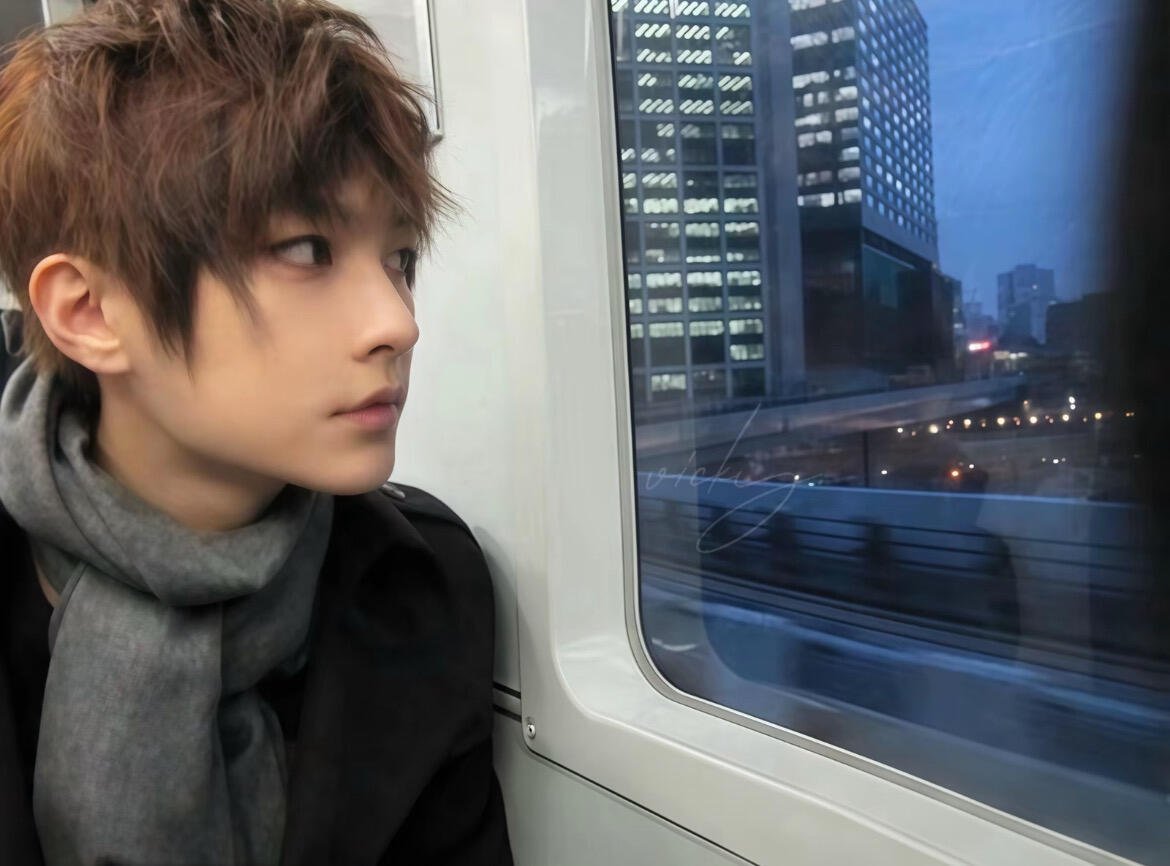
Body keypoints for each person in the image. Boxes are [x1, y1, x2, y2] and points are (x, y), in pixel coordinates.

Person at [0, 0, 512, 863]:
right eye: (307, 250)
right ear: (89, 312)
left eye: (399, 258)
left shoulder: (421, 580)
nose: (398, 323)